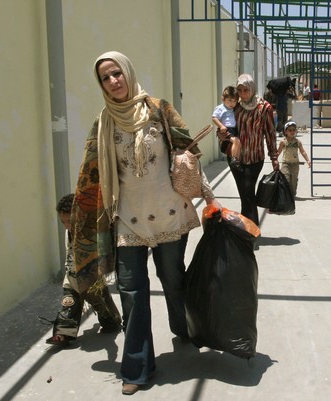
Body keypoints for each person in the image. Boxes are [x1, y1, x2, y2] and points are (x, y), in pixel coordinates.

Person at [73, 51, 221, 395]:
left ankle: (183, 327)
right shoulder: (103, 122)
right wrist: (83, 220)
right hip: (128, 220)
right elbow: (91, 174)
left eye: (116, 74)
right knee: (132, 293)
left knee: (173, 280)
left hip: (169, 211)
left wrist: (209, 195)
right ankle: (137, 367)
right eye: (105, 78)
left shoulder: (159, 108)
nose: (113, 81)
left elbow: (188, 150)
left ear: (127, 72)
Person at [44, 193, 121, 347]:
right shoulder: (68, 233)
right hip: (72, 277)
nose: (66, 225)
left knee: (102, 305)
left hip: (91, 278)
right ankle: (62, 334)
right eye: (63, 222)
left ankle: (111, 320)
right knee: (69, 304)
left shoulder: (91, 233)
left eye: (69, 221)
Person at [218, 73, 279, 226]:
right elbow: (224, 124)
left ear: (252, 89)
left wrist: (274, 157)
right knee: (245, 194)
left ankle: (249, 230)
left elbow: (270, 133)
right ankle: (249, 230)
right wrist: (221, 133)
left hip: (255, 157)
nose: (243, 94)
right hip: (235, 157)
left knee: (247, 192)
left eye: (246, 90)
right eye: (239, 90)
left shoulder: (264, 108)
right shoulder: (234, 107)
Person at [276, 121, 311, 198]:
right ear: (285, 131)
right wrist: (275, 159)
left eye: (293, 130)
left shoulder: (298, 142)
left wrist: (308, 160)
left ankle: (292, 195)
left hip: (295, 165)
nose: (292, 132)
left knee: (293, 181)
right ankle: (285, 195)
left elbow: (303, 151)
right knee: (285, 179)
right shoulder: (283, 142)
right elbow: (278, 151)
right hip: (286, 164)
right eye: (290, 130)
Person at [212, 85, 242, 170]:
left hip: (234, 129)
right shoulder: (220, 108)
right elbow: (214, 117)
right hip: (226, 129)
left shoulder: (234, 108)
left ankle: (237, 161)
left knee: (238, 144)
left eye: (234, 101)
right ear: (223, 99)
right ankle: (234, 159)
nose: (231, 103)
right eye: (229, 100)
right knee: (236, 141)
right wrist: (221, 126)